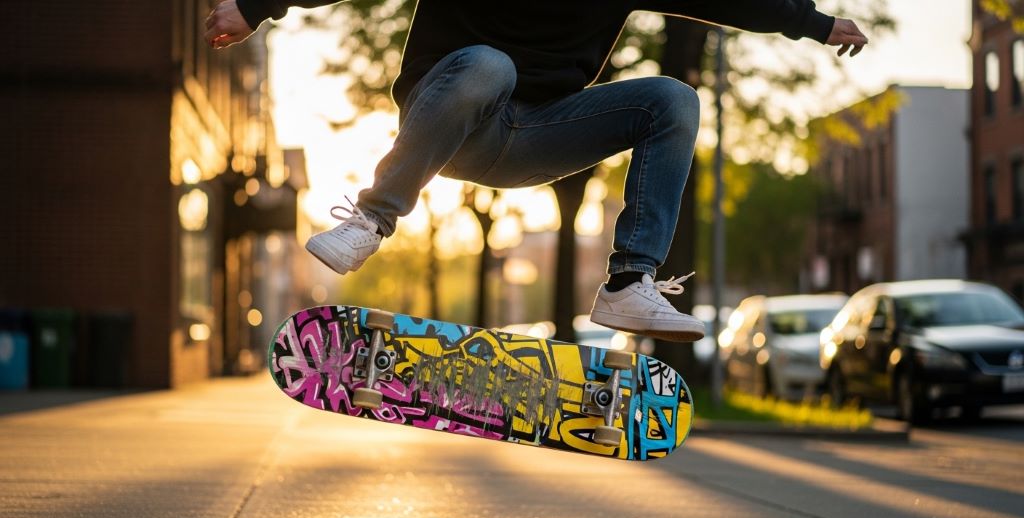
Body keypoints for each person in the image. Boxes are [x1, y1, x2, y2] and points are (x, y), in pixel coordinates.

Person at [205, 0, 867, 342]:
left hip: (537, 137)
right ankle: (373, 218)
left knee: (673, 100)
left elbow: (734, 2)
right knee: (489, 64)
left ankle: (629, 281)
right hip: (453, 120)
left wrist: (816, 23)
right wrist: (257, 5)